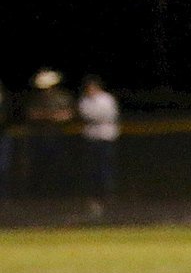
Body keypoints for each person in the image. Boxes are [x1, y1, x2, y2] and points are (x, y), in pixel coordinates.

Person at [23, 68, 74, 198]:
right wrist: (51, 116)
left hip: (58, 135)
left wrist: (50, 116)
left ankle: (60, 191)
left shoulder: (63, 97)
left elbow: (68, 115)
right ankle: (39, 192)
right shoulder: (35, 98)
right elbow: (32, 114)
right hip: (39, 135)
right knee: (39, 165)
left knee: (59, 164)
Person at [77, 75, 120, 218]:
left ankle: (108, 195)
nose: (90, 90)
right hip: (91, 137)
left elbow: (108, 115)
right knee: (92, 168)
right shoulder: (85, 100)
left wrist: (95, 117)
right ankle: (93, 196)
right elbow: (85, 114)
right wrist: (95, 117)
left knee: (106, 167)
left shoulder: (107, 99)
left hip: (106, 136)